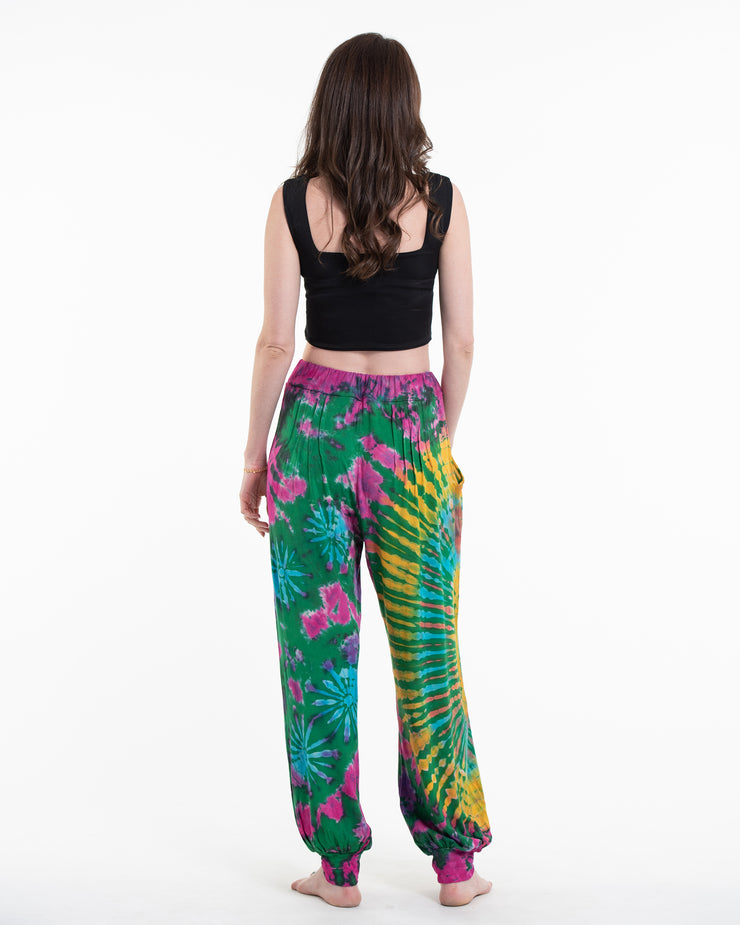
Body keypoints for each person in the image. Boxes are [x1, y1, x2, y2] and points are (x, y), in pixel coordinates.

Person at [239, 32, 492, 908]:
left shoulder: (292, 202)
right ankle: (454, 866)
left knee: (317, 655)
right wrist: (435, 444)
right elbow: (462, 343)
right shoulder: (444, 202)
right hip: (413, 432)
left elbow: (275, 343)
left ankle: (338, 867)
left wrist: (253, 456)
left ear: (333, 105)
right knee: (429, 651)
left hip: (314, 431)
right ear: (405, 107)